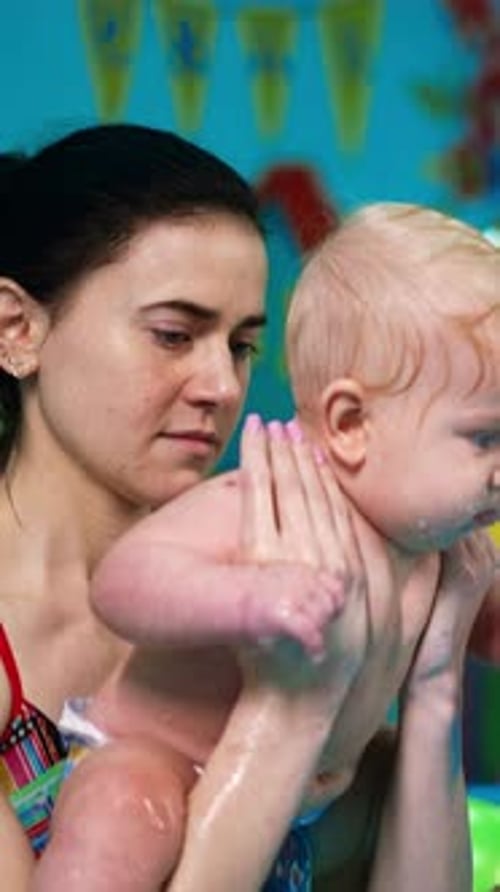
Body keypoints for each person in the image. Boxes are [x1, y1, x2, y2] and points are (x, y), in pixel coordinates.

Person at [0, 124, 476, 892]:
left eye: (242, 345)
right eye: (173, 334)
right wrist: (285, 721)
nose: (222, 385)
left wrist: (433, 689)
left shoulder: (294, 571)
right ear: (17, 330)